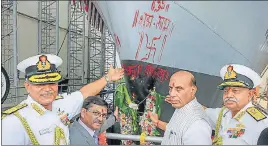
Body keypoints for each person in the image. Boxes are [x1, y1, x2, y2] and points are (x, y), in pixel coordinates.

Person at [2, 54, 124, 145]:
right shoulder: (14, 121)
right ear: (27, 86)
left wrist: (108, 78)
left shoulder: (61, 104)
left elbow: (84, 93)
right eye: (39, 84)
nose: (47, 89)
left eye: (52, 82)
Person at [156, 71, 212, 145]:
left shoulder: (198, 124)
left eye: (178, 89)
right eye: (170, 88)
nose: (172, 94)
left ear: (193, 90)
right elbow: (174, 130)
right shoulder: (181, 107)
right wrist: (156, 122)